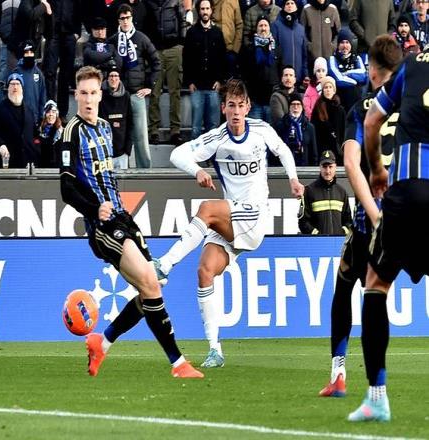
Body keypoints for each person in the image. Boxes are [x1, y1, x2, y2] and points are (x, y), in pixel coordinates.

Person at [59, 65, 203, 379]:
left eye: (93, 93)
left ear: (100, 95)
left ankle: (102, 342)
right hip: (102, 227)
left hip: (123, 218)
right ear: (76, 95)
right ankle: (178, 363)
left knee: (151, 287)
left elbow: (106, 177)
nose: (88, 99)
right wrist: (94, 209)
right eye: (83, 93)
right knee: (150, 283)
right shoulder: (70, 132)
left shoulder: (104, 129)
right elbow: (66, 187)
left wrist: (115, 208)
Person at [154, 79, 304, 367]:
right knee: (204, 271)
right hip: (232, 219)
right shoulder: (217, 138)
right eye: (231, 105)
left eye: (241, 105)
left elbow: (283, 150)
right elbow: (176, 155)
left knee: (207, 209)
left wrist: (293, 180)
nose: (236, 111)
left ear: (248, 107)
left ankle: (165, 264)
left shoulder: (261, 130)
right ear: (223, 108)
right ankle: (215, 350)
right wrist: (197, 171)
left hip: (255, 215)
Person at [347, 43, 429, 423]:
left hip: (408, 191)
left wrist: (377, 169)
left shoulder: (410, 66)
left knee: (376, 283)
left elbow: (371, 123)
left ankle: (377, 398)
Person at [318, 34, 402, 400]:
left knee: (350, 287)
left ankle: (341, 374)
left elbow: (351, 163)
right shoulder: (414, 106)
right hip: (413, 212)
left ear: (372, 70)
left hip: (373, 221)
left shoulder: (363, 108)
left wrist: (373, 213)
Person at [107, 4, 161, 168]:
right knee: (118, 133)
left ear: (132, 18)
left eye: (128, 18)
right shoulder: (113, 40)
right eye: (122, 18)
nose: (125, 21)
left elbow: (156, 62)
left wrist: (150, 86)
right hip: (119, 96)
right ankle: (117, 168)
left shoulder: (141, 38)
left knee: (141, 135)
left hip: (137, 93)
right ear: (118, 20)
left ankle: (144, 171)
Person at [183, 0, 226, 140]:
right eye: (202, 9)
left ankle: (212, 154)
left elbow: (222, 58)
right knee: (195, 128)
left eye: (207, 8)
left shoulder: (218, 33)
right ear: (198, 11)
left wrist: (220, 80)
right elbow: (186, 59)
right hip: (197, 87)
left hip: (213, 87)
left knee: (213, 127)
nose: (205, 11)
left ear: (211, 10)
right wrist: (189, 82)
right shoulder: (191, 33)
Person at [147, 0, 186, 146]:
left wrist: (181, 43)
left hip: (173, 48)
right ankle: (153, 131)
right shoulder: (149, 2)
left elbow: (182, 20)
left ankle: (175, 130)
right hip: (155, 50)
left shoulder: (175, 1)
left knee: (174, 91)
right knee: (154, 91)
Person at [42, 0, 83, 123]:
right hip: (52, 33)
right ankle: (50, 109)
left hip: (69, 34)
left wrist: (77, 33)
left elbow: (79, 8)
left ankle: (62, 112)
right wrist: (46, 31)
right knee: (50, 72)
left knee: (65, 75)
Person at [0, 72, 39, 168]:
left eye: (18, 84)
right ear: (8, 88)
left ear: (22, 88)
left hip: (28, 163)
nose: (15, 87)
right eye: (12, 84)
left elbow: (34, 135)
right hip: (9, 162)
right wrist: (1, 146)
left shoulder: (29, 110)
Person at [298, 150, 352, 234]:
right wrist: (317, 235)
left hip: (338, 242)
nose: (327, 171)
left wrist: (342, 232)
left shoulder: (342, 192)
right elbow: (303, 222)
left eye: (330, 167)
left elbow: (348, 221)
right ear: (320, 167)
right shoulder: (309, 191)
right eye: (324, 167)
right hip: (318, 242)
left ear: (335, 167)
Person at [240, 14, 280, 123]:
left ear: (269, 28)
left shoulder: (276, 49)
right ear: (256, 29)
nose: (263, 28)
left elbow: (280, 70)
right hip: (254, 101)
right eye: (260, 25)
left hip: (272, 100)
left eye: (265, 25)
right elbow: (244, 74)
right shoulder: (249, 49)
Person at [99, 64, 133, 169]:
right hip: (105, 152)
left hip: (122, 152)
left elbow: (130, 123)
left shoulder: (126, 96)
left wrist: (127, 150)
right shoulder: (101, 96)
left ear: (119, 79)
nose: (113, 79)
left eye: (116, 76)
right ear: (107, 79)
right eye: (111, 76)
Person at [328, 28, 368, 112]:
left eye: (347, 42)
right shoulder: (333, 59)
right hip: (340, 102)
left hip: (356, 102)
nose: (345, 46)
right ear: (338, 45)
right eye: (342, 42)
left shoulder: (357, 58)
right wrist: (354, 81)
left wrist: (345, 73)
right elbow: (338, 79)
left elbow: (363, 75)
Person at [273, 93, 318, 166]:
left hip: (304, 165)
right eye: (293, 104)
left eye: (298, 104)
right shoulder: (281, 125)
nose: (296, 107)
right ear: (289, 107)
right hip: (285, 165)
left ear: (302, 107)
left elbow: (313, 151)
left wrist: (314, 166)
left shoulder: (309, 127)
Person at [271, 0, 309, 84]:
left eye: (292, 3)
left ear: (296, 7)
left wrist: (305, 74)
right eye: (287, 3)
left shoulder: (301, 29)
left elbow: (304, 55)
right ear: (283, 7)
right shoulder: (275, 26)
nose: (290, 5)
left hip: (298, 78)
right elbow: (273, 52)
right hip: (281, 78)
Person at [311, 75, 346, 163]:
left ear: (334, 90)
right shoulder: (318, 107)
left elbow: (343, 129)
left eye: (330, 87)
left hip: (337, 148)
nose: (328, 90)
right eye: (326, 87)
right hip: (322, 146)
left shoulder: (340, 109)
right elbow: (314, 128)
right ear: (322, 90)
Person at [13, 40, 47, 126]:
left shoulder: (38, 73)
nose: (29, 55)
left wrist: (41, 116)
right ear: (23, 54)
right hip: (19, 118)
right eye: (26, 53)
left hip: (34, 118)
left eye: (31, 52)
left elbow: (42, 96)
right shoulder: (16, 73)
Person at [212, 0, 244, 78]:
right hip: (214, 50)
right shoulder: (211, 2)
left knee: (230, 80)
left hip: (230, 50)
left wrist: (235, 49)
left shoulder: (234, 1)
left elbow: (239, 25)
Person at [36, 99, 63, 167]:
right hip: (41, 168)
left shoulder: (62, 132)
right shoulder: (38, 130)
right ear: (45, 114)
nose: (51, 114)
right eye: (48, 112)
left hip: (58, 167)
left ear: (56, 114)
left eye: (53, 112)